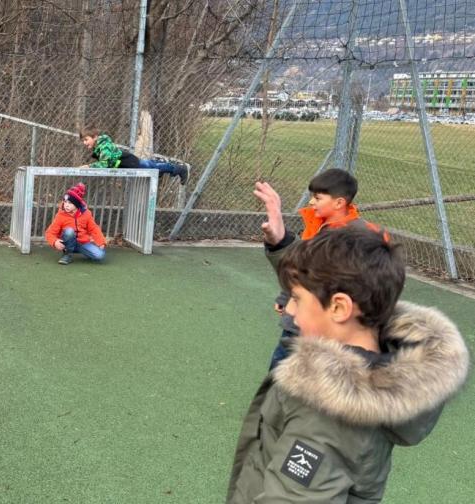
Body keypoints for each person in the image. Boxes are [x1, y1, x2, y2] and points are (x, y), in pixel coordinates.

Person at [226, 226, 468, 503]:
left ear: (339, 308)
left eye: (297, 299)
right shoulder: (378, 371)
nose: (290, 312)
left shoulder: (325, 411)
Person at [254, 169, 388, 369]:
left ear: (339, 202)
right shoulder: (318, 226)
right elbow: (301, 268)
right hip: (298, 320)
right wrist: (285, 297)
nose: (311, 202)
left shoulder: (360, 237)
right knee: (281, 373)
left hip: (326, 326)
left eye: (317, 197)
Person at [79, 126, 188, 185]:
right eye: (83, 140)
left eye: (86, 139)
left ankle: (178, 169)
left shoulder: (104, 146)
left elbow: (106, 163)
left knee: (152, 167)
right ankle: (162, 170)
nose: (84, 143)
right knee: (151, 165)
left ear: (95, 137)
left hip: (129, 162)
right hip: (128, 162)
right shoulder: (99, 147)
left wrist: (89, 167)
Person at [44, 183, 106, 265]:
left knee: (100, 255)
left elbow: (94, 228)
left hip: (82, 243)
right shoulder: (60, 215)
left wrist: (101, 242)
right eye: (65, 202)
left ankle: (86, 251)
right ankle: (67, 255)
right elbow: (50, 232)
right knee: (69, 231)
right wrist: (54, 242)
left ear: (76, 204)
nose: (66, 205)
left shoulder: (86, 214)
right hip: (67, 242)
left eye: (70, 203)